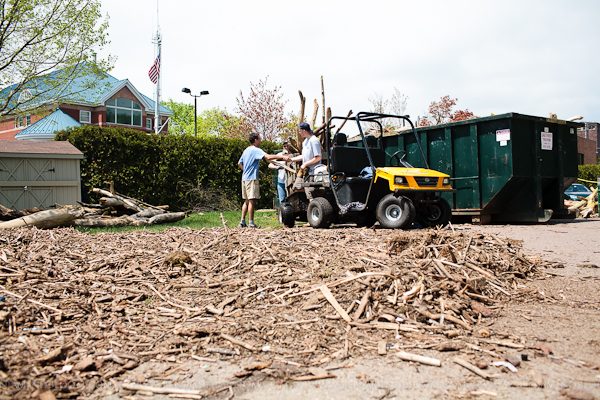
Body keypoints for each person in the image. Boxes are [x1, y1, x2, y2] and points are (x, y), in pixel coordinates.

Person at [238, 133, 290, 228]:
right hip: (252, 178)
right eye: (260, 139)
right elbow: (268, 157)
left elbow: (239, 163)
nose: (261, 141)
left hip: (244, 178)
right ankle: (251, 223)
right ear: (255, 140)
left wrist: (245, 171)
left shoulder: (246, 150)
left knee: (246, 200)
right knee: (251, 201)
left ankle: (242, 222)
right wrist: (281, 157)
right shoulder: (255, 150)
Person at [290, 122, 322, 201]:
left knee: (310, 192)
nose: (299, 133)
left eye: (300, 131)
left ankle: (313, 207)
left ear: (304, 131)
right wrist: (291, 159)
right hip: (305, 171)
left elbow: (318, 157)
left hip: (313, 172)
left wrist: (305, 164)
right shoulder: (305, 142)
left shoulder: (314, 141)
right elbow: (304, 156)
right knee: (296, 187)